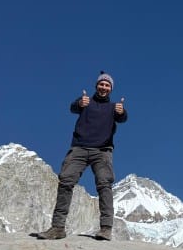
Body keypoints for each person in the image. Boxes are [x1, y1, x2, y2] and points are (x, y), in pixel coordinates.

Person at [37, 72, 128, 241]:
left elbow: (123, 118)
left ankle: (106, 229)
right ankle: (57, 228)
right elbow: (73, 108)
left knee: (104, 185)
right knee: (66, 181)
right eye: (101, 84)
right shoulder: (86, 102)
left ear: (111, 89)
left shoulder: (113, 108)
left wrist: (121, 112)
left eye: (107, 85)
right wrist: (80, 103)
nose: (104, 87)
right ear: (96, 86)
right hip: (79, 148)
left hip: (102, 150)